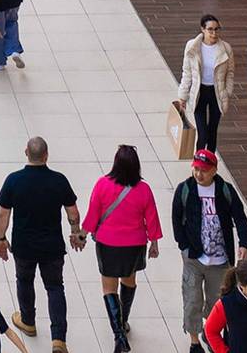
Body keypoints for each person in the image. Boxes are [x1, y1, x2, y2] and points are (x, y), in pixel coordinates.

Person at [0, 137, 83, 353]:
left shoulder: (14, 180)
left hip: (24, 246)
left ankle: (28, 321)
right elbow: (73, 212)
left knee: (24, 281)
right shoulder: (59, 180)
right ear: (46, 155)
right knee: (55, 287)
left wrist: (0, 238)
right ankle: (58, 340)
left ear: (26, 152)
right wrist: (75, 233)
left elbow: (3, 213)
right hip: (52, 247)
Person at [82, 144, 163, 353]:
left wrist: (82, 234)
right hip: (134, 245)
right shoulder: (144, 189)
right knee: (129, 282)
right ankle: (123, 320)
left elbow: (93, 214)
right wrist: (154, 242)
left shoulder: (102, 184)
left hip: (107, 244)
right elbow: (151, 217)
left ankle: (119, 336)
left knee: (109, 288)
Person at [172, 149, 247, 353]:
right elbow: (176, 219)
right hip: (194, 259)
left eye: (204, 170)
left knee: (218, 303)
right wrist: (184, 245)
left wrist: (244, 243)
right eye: (196, 169)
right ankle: (194, 341)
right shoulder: (185, 190)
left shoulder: (226, 191)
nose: (199, 174)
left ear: (214, 170)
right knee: (192, 299)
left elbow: (240, 219)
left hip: (221, 261)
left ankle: (210, 332)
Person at [175, 14, 234, 154]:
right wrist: (182, 96)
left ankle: (210, 164)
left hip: (217, 93)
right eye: (210, 29)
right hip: (199, 92)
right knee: (203, 133)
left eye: (217, 29)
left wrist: (227, 91)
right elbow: (187, 72)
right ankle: (198, 163)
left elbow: (230, 73)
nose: (214, 33)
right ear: (203, 29)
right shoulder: (192, 46)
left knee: (212, 131)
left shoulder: (226, 48)